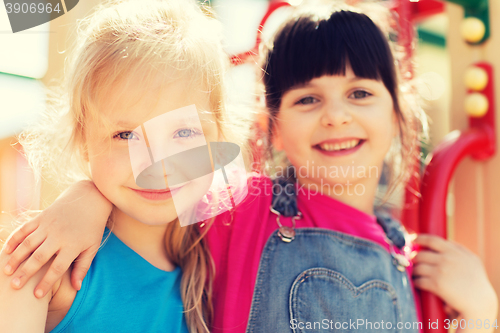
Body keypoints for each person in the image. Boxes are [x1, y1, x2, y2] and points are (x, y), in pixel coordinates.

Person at [2, 2, 497, 333]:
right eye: (307, 99)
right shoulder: (246, 208)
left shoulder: (413, 260)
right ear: (273, 127)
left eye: (361, 93)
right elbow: (152, 198)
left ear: (398, 110)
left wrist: (481, 312)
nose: (337, 115)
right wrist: (85, 197)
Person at [0, 0, 252, 332]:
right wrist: (86, 196)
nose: (159, 165)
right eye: (126, 134)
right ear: (83, 141)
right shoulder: (47, 266)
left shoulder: (218, 252)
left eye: (184, 131)